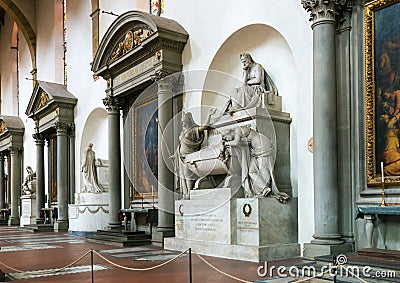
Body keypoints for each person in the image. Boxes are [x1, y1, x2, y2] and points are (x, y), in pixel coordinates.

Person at [224, 126, 290, 203]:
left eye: (226, 136)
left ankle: (266, 189)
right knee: (251, 171)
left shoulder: (237, 129)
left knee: (264, 172)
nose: (227, 138)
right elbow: (245, 142)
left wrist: (225, 143)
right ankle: (264, 189)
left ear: (229, 132)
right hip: (256, 149)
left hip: (262, 146)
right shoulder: (239, 133)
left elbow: (235, 143)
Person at [174, 109, 216, 199]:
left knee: (188, 176)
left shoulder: (193, 131)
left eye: (184, 121)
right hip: (181, 157)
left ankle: (189, 194)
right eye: (181, 122)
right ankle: (185, 194)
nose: (182, 123)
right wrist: (175, 155)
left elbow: (204, 127)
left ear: (188, 121)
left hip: (189, 157)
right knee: (183, 177)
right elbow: (181, 145)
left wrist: (209, 114)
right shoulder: (182, 132)